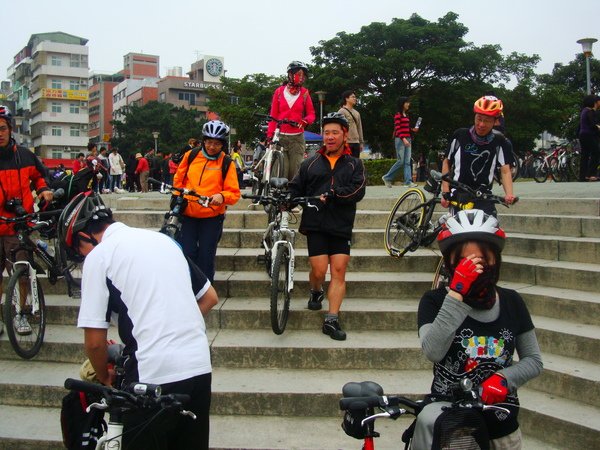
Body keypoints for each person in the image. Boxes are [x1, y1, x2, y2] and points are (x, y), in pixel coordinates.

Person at [57, 191, 218, 450]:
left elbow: (95, 343)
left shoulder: (100, 256)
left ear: (85, 236)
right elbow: (209, 297)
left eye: (79, 250)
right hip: (198, 366)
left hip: (152, 373)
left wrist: (105, 377)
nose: (83, 257)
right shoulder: (162, 241)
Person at [413, 209, 543, 449]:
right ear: (450, 262)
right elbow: (433, 351)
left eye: (481, 260)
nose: (474, 268)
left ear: (495, 259)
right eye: (465, 261)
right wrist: (457, 294)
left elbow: (533, 360)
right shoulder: (434, 301)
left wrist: (505, 378)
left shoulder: (512, 301)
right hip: (454, 428)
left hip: (502, 425)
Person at [288, 112, 366, 341]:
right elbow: (296, 188)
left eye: (334, 132)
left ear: (345, 134)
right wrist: (287, 200)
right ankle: (316, 290)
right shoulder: (310, 162)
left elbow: (357, 190)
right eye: (327, 133)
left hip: (341, 225)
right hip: (315, 224)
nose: (330, 137)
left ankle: (331, 319)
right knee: (320, 270)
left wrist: (334, 195)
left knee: (339, 270)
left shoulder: (355, 164)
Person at [0, 105, 53, 336]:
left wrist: (44, 191)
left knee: (21, 274)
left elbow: (40, 177)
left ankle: (21, 314)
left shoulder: (26, 155)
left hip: (19, 225)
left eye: (2, 128)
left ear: (10, 129)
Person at [173, 120, 241, 282]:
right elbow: (178, 180)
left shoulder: (226, 163)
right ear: (203, 140)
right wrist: (178, 196)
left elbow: (234, 192)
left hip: (212, 217)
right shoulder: (191, 155)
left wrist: (222, 196)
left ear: (222, 145)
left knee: (206, 255)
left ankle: (205, 290)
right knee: (188, 252)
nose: (211, 147)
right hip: (188, 214)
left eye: (216, 144)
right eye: (209, 142)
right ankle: (188, 287)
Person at [441, 96, 516, 216]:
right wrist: (445, 191)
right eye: (479, 119)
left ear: (495, 121)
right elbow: (447, 162)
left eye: (486, 121)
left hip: (483, 194)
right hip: (458, 192)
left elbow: (505, 170)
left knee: (490, 229)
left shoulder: (500, 142)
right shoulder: (460, 135)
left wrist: (509, 194)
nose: (481, 124)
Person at [267, 61, 316, 181]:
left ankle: (293, 198)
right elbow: (273, 116)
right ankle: (278, 197)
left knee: (295, 171)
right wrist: (270, 136)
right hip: (281, 138)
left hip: (297, 139)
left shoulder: (304, 93)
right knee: (281, 171)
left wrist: (305, 121)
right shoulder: (279, 92)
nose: (301, 77)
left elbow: (311, 114)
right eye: (299, 74)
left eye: (303, 75)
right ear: (290, 74)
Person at [382, 96, 419, 188]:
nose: (408, 104)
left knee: (407, 162)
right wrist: (403, 139)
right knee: (401, 161)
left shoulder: (406, 115)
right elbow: (398, 129)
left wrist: (412, 130)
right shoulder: (398, 115)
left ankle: (408, 182)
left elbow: (405, 128)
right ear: (402, 104)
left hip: (408, 138)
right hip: (400, 140)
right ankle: (387, 177)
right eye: (406, 102)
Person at [578, 94, 600, 182]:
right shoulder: (589, 111)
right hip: (588, 135)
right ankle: (591, 174)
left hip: (583, 135)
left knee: (585, 155)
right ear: (594, 102)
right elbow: (592, 124)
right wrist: (598, 127)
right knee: (596, 153)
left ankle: (583, 176)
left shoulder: (584, 110)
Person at [337, 90, 364, 158]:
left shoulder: (357, 113)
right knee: (346, 163)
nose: (355, 99)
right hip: (346, 142)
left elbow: (359, 128)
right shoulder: (341, 111)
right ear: (347, 98)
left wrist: (361, 142)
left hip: (356, 142)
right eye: (353, 97)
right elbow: (338, 128)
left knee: (355, 164)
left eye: (355, 97)